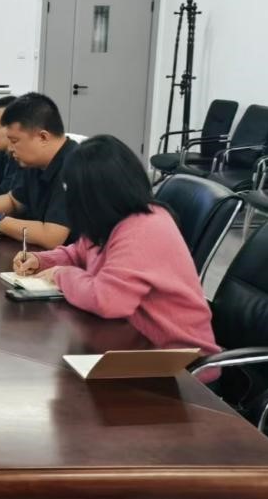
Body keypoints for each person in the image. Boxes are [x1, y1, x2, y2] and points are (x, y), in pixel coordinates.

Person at [11, 135, 220, 363]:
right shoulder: (111, 219)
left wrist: (61, 274)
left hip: (178, 361)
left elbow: (107, 301)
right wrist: (41, 260)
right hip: (133, 343)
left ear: (94, 194)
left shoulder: (144, 228)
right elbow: (79, 252)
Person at [0, 94, 76, 248]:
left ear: (43, 137)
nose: (10, 148)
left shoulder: (74, 166)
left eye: (14, 141)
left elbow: (51, 236)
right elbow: (13, 201)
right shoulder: (36, 162)